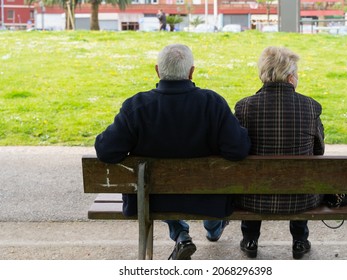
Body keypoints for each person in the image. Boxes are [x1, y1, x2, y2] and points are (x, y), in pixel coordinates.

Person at [95, 44, 250, 260]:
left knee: (161, 188)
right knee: (214, 188)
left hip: (152, 200)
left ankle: (180, 233)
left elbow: (105, 151)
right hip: (208, 199)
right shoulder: (212, 104)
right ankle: (213, 228)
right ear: (191, 72)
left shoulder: (136, 107)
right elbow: (239, 150)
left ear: (158, 71)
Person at [234, 46, 325, 260]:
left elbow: (239, 150)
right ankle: (300, 240)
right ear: (291, 76)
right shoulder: (310, 106)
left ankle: (250, 239)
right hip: (301, 199)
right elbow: (318, 151)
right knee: (302, 173)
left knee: (254, 176)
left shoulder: (244, 107)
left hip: (254, 198)